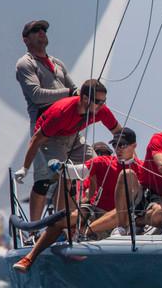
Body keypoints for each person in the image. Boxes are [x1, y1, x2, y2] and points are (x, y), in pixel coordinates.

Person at [12, 127, 161, 273]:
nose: (118, 149)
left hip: (124, 217)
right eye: (115, 145)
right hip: (96, 212)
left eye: (122, 145)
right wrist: (61, 167)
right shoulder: (103, 162)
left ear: (134, 146)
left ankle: (82, 234)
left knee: (123, 191)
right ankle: (30, 258)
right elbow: (78, 171)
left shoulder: (143, 169)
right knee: (59, 222)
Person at [14, 79, 121, 214]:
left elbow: (119, 133)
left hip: (72, 134)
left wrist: (129, 156)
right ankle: (59, 222)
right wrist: (25, 167)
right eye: (98, 101)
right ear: (85, 98)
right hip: (51, 138)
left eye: (103, 101)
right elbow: (36, 140)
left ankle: (91, 203)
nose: (101, 105)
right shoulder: (61, 112)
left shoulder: (101, 111)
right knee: (63, 174)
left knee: (98, 165)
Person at [15, 19, 78, 220]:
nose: (42, 32)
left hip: (68, 127)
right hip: (45, 129)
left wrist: (81, 95)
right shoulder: (25, 64)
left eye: (44, 29)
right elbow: (37, 95)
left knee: (75, 173)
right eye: (36, 30)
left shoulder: (57, 63)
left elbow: (75, 90)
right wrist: (69, 93)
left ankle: (61, 224)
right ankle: (34, 229)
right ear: (26, 39)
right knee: (44, 180)